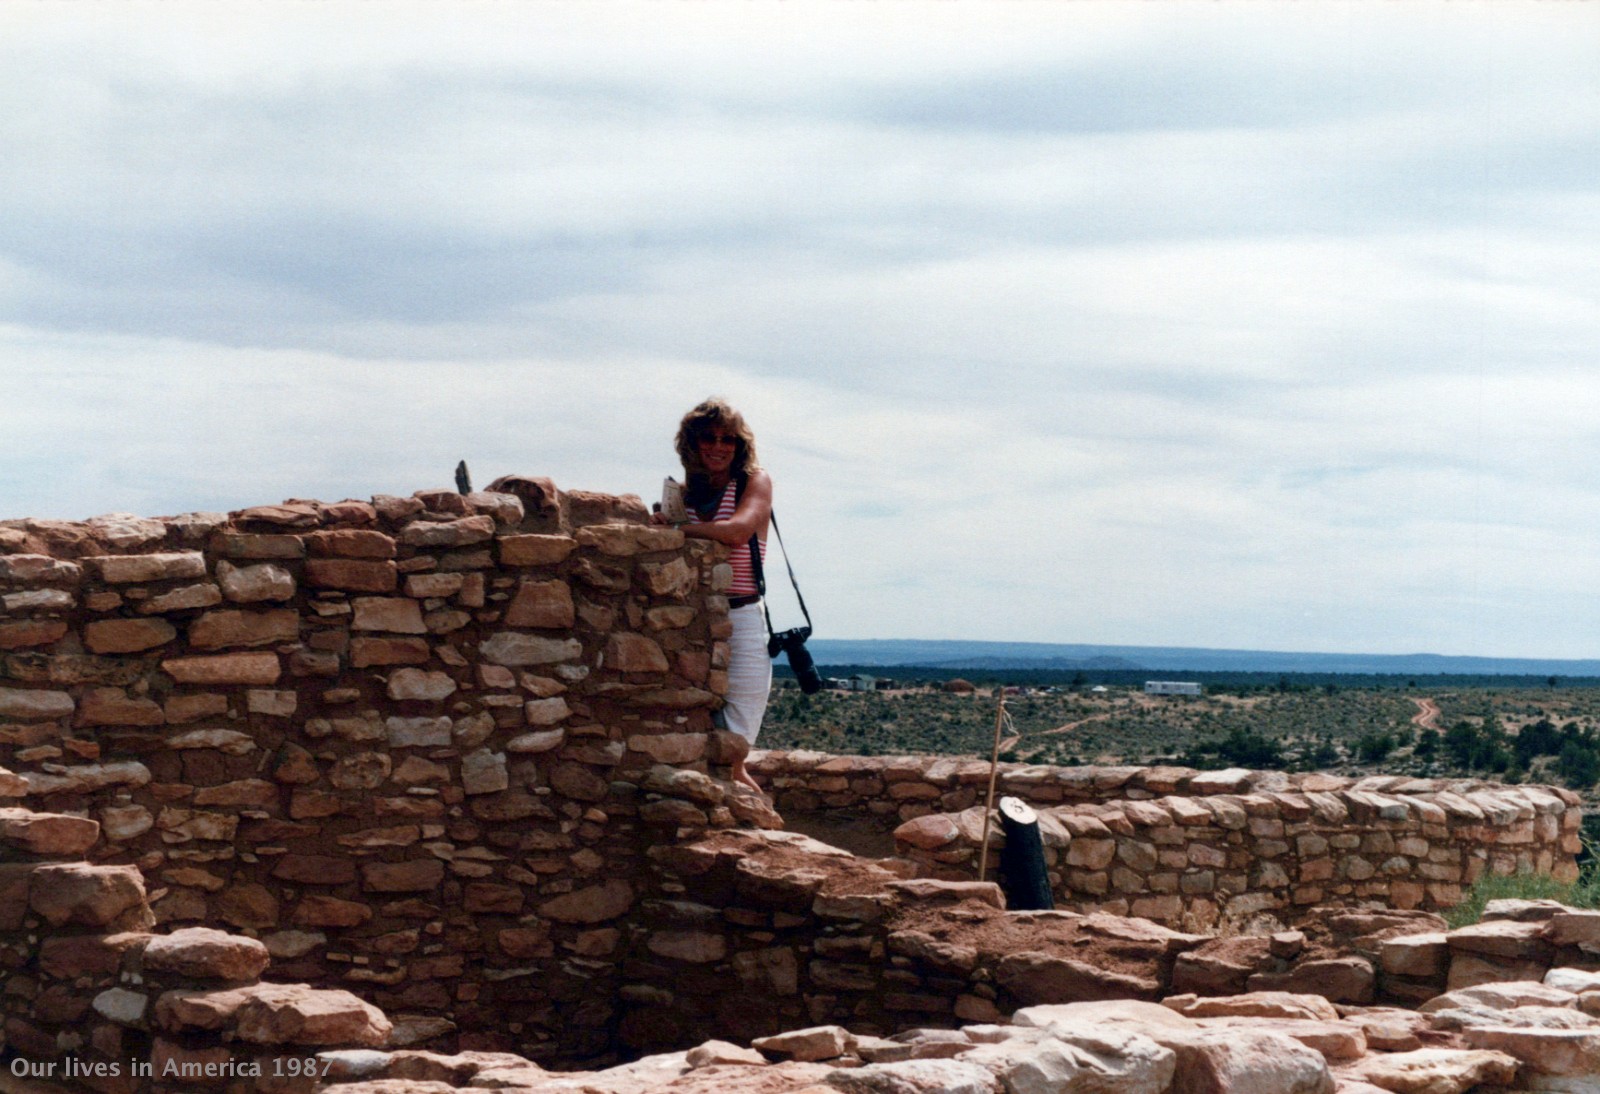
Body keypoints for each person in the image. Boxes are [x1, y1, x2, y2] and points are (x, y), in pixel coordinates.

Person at [653, 398, 772, 795]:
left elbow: (739, 530)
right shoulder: (686, 495)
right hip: (692, 621)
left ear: (740, 446)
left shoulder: (753, 483)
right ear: (693, 443)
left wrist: (678, 531)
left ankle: (761, 829)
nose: (718, 446)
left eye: (728, 439)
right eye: (709, 438)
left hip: (739, 616)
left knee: (734, 750)